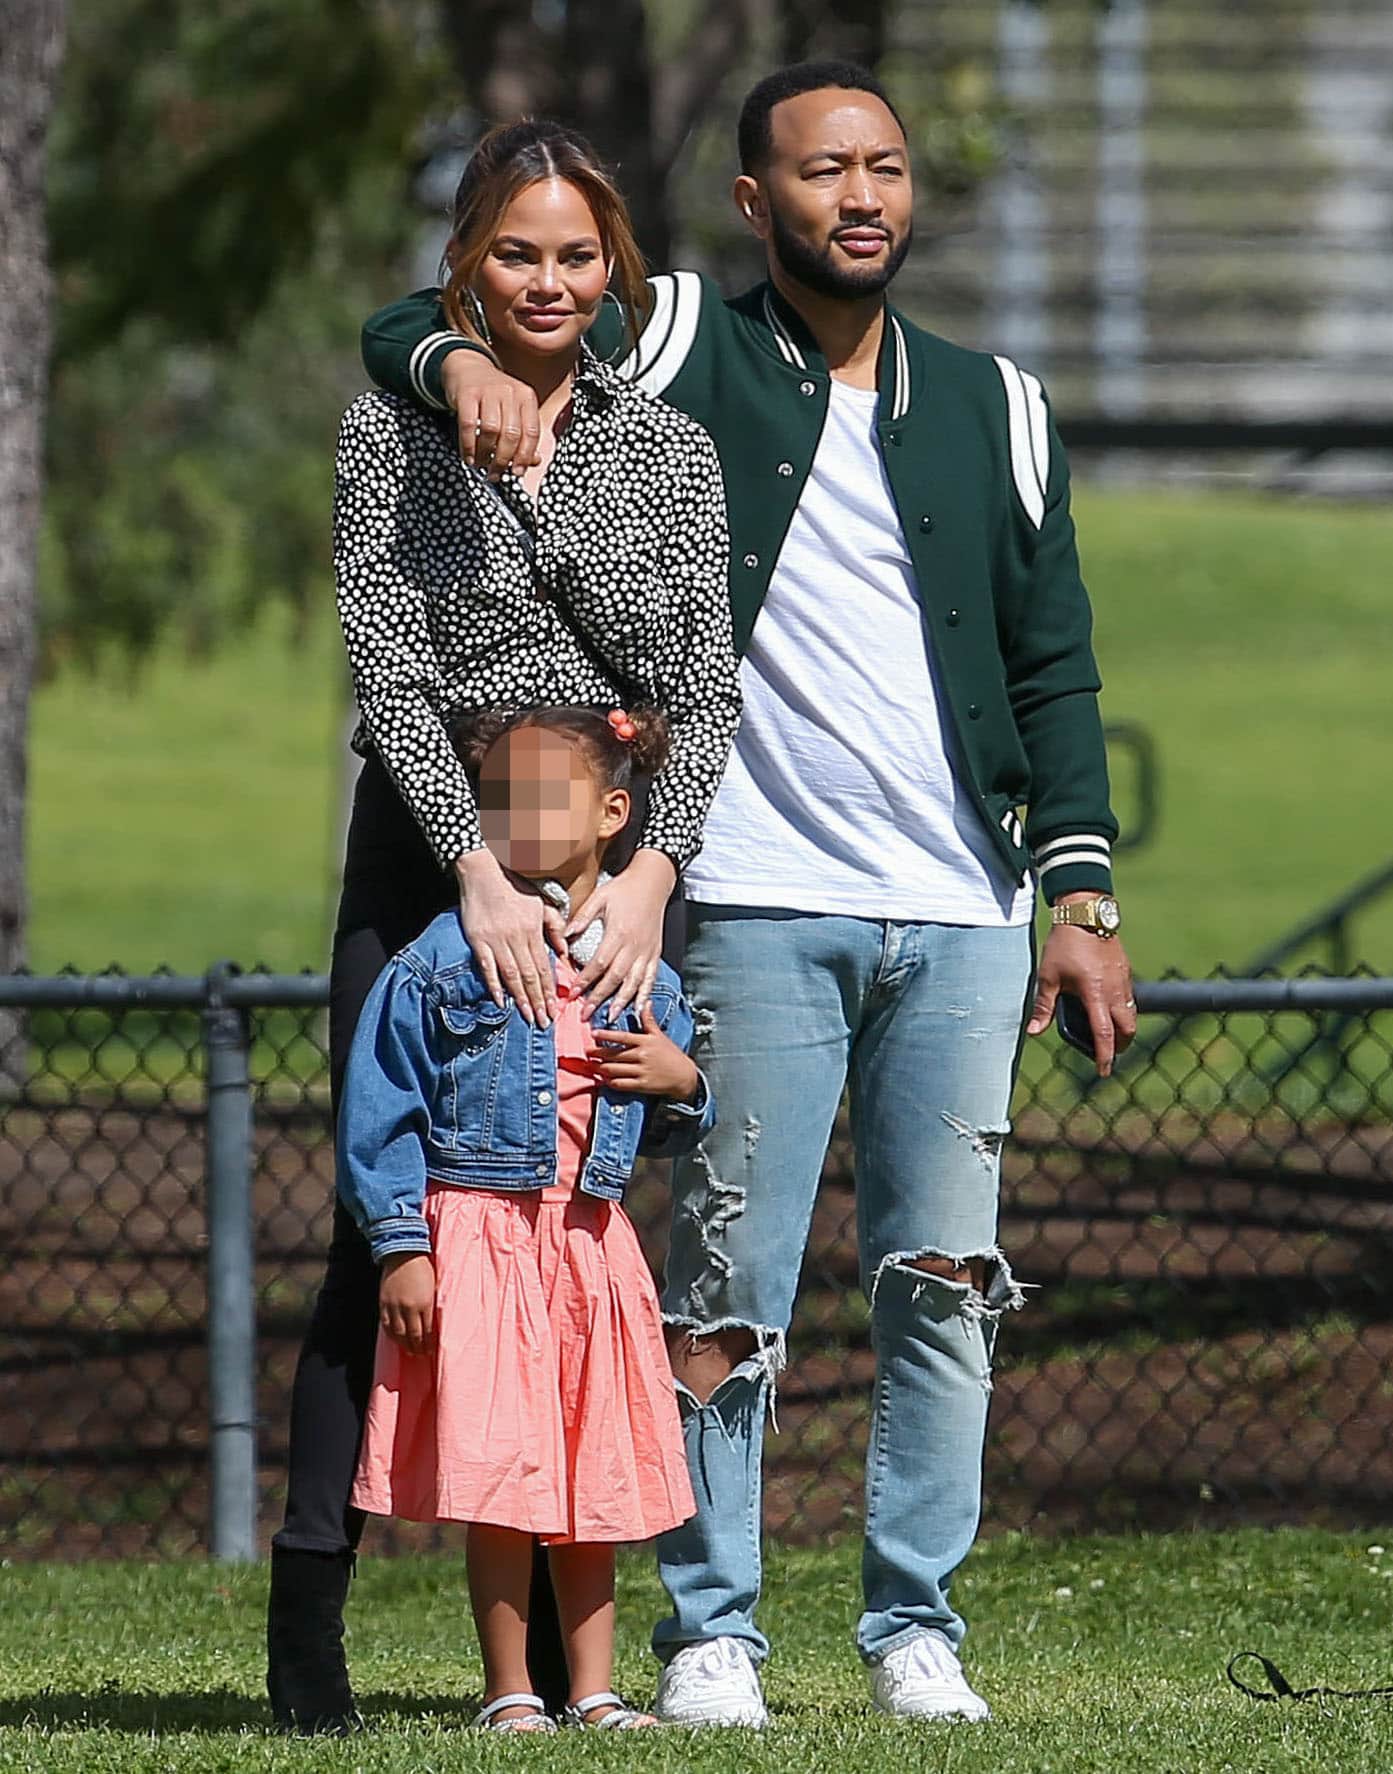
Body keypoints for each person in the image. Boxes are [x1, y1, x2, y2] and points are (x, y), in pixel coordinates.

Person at [362, 60, 1138, 1726]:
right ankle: (711, 1624)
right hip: (756, 901)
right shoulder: (682, 349)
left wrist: (1077, 892)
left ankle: (911, 1619)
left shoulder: (996, 404)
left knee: (942, 1281)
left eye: (883, 168)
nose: (858, 197)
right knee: (729, 1286)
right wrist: (448, 364)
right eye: (819, 172)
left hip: (961, 908)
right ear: (751, 201)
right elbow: (413, 328)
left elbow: (1055, 662)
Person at [266, 120, 739, 1734]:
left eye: (576, 255)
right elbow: (389, 668)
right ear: (466, 263)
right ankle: (309, 1620)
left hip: (614, 861)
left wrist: (648, 876)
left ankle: (550, 1666)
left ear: (615, 270)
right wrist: (467, 861)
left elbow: (700, 683)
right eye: (516, 253)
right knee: (381, 1224)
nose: (547, 282)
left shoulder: (666, 450)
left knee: (569, 1221)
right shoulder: (385, 434)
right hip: (428, 857)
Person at [337, 706, 712, 1733]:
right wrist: (401, 1246)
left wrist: (682, 1081)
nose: (518, 814)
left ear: (613, 812)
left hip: (591, 1247)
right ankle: (510, 1690)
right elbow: (382, 1108)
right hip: (480, 1240)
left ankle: (593, 1688)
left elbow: (676, 1116)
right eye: (498, 796)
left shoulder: (642, 971)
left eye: (544, 794)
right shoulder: (440, 958)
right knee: (499, 1473)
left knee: (591, 1472)